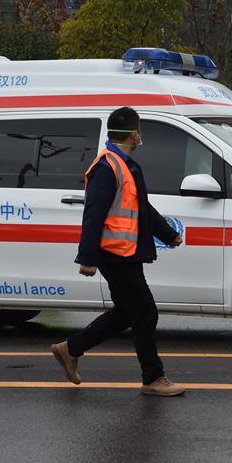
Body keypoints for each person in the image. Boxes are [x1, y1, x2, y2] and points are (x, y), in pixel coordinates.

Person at [51, 107, 186, 396]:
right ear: (134, 133)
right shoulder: (107, 167)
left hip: (125, 252)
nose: (141, 136)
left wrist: (168, 233)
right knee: (146, 313)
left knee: (127, 312)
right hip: (114, 254)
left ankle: (70, 349)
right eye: (139, 130)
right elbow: (93, 213)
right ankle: (153, 378)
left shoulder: (124, 165)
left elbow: (142, 208)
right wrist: (86, 258)